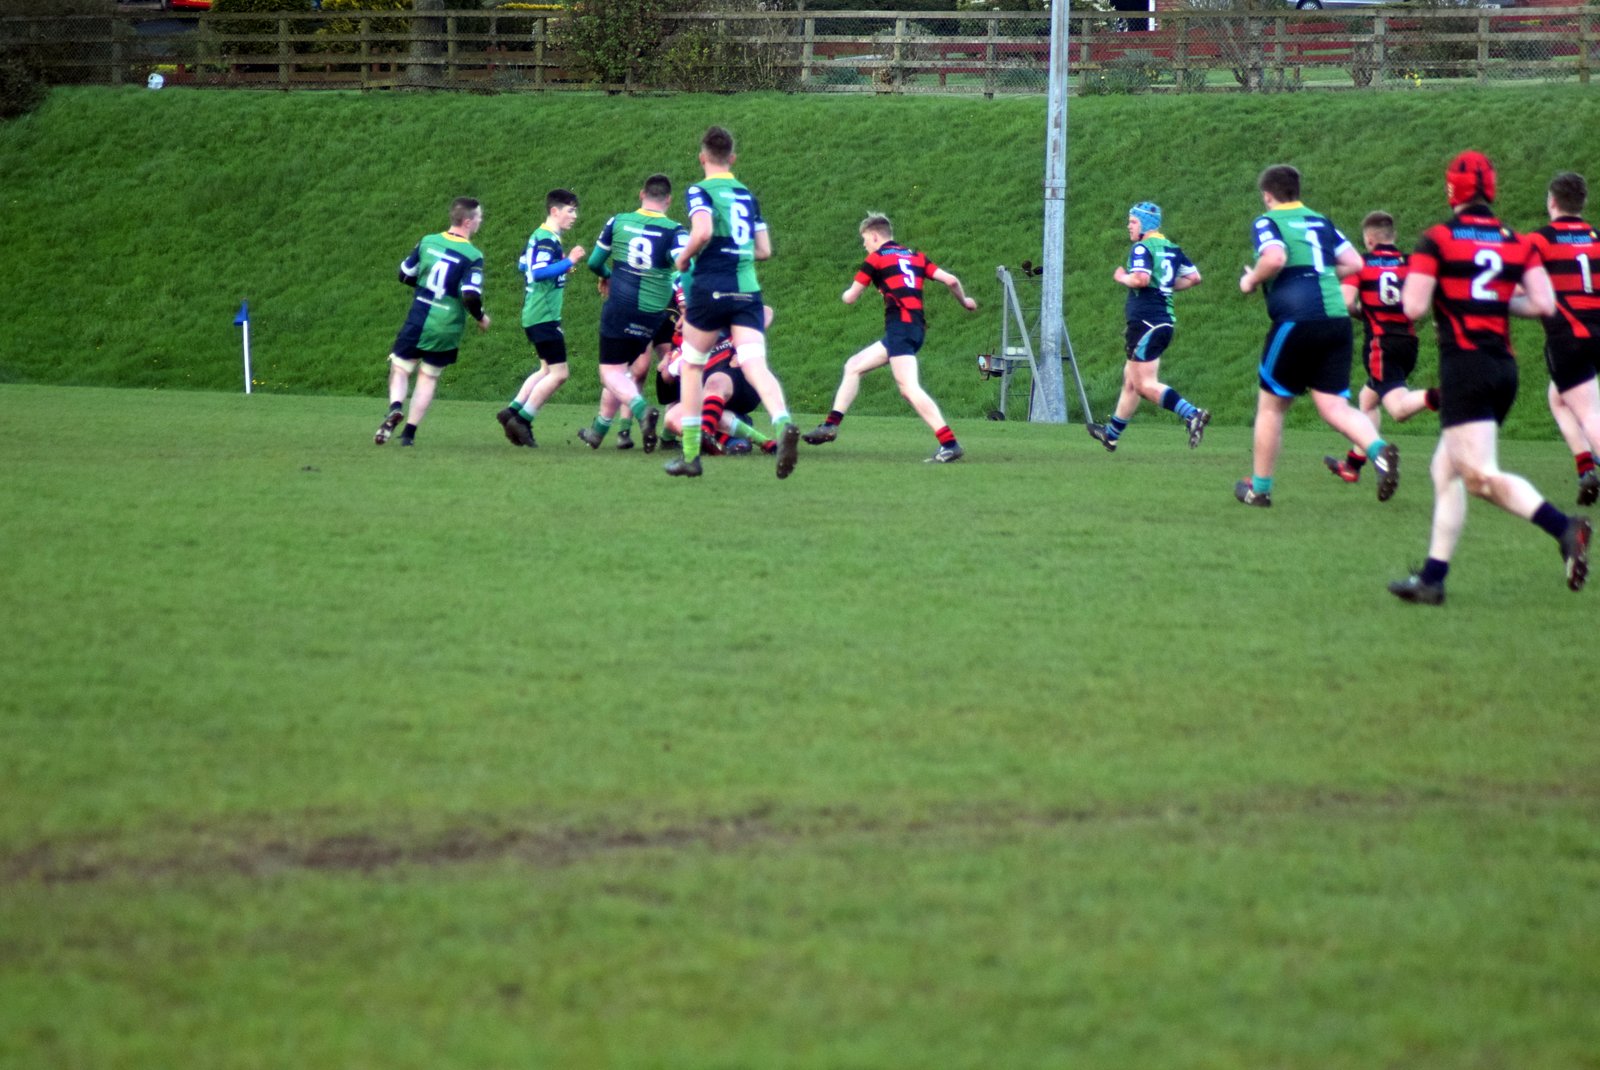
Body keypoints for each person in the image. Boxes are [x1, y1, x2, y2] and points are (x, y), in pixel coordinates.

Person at [1388, 151, 1590, 605]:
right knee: (1445, 469)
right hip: (1503, 369)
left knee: (1479, 477)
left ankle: (1565, 528)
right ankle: (1432, 580)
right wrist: (1496, 303)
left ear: (1452, 190)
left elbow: (1413, 307)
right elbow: (1544, 304)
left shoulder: (1438, 239)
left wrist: (1440, 294)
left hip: (1465, 366)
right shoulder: (1515, 241)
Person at [1235, 165, 1398, 507]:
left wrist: (1251, 280)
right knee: (1334, 405)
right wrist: (1319, 271)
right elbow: (1355, 263)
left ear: (1267, 195)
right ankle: (1378, 451)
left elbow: (1275, 257)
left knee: (1272, 407)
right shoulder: (1320, 221)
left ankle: (1260, 490)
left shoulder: (1267, 222)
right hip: (1335, 319)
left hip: (1296, 320)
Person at [669, 125, 800, 480]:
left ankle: (691, 455)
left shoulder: (700, 190)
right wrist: (737, 253)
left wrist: (683, 258)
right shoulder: (747, 195)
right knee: (755, 364)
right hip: (747, 291)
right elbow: (764, 250)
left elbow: (703, 231)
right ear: (733, 158)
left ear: (702, 158)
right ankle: (782, 422)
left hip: (711, 287)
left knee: (692, 367)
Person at [802, 214, 976, 463]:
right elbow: (951, 280)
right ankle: (830, 425)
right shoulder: (916, 256)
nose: (864, 245)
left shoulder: (876, 258)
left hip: (900, 328)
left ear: (874, 236)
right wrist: (965, 301)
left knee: (908, 388)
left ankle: (949, 444)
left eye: (864, 240)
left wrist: (845, 294)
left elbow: (850, 297)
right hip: (914, 328)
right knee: (854, 366)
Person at [1324, 211, 1441, 483]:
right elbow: (1433, 293)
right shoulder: (1411, 263)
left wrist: (1360, 314)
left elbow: (1345, 301)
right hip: (1408, 344)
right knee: (1368, 399)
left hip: (1381, 345)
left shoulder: (1361, 265)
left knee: (1397, 408)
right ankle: (1353, 465)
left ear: (1369, 239)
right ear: (1393, 236)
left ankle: (1441, 395)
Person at [1086, 201, 1210, 454]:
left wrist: (1122, 277)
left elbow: (1140, 279)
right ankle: (1111, 435)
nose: (1129, 226)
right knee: (1131, 380)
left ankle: (1192, 414)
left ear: (1145, 225)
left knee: (1143, 384)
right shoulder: (1172, 248)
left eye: (1133, 222)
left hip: (1145, 323)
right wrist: (1164, 287)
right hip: (1163, 321)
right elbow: (1194, 278)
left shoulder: (1142, 247)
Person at [574, 173, 682, 452]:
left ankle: (641, 410)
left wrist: (607, 274)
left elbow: (595, 262)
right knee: (622, 372)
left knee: (611, 372)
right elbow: (687, 267)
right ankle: (598, 432)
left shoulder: (618, 221)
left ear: (641, 194)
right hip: (654, 313)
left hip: (621, 307)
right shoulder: (675, 231)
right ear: (668, 200)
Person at [374, 197, 489, 447]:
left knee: (401, 368)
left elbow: (405, 274)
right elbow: (470, 294)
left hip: (418, 318)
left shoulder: (427, 242)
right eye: (479, 217)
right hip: (446, 327)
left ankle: (395, 407)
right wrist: (481, 317)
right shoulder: (473, 256)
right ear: (467, 222)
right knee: (428, 377)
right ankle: (409, 434)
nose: (481, 221)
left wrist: (425, 288)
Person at [1526, 171, 1600, 507]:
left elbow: (1519, 286)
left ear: (1552, 201)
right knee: (1558, 398)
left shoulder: (1540, 241)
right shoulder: (1596, 237)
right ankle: (1586, 468)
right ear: (1582, 202)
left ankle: (1589, 465)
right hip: (1596, 332)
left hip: (1568, 335)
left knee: (1588, 413)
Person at [497, 189, 586, 449]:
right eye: (570, 210)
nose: (575, 216)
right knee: (560, 374)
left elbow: (523, 265)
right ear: (554, 211)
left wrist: (560, 266)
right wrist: (568, 261)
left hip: (535, 312)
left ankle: (512, 411)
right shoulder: (547, 239)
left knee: (546, 370)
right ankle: (523, 419)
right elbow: (537, 272)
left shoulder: (539, 236)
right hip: (544, 315)